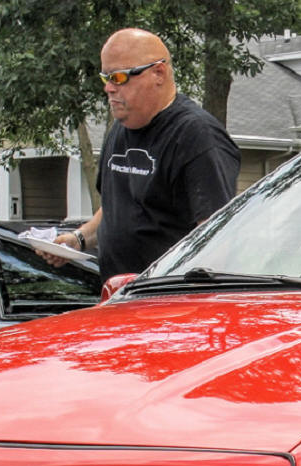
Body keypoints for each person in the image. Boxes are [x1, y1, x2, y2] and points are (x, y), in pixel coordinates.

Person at [53, 28, 240, 284]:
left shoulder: (197, 136)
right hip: (117, 299)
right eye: (105, 78)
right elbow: (114, 208)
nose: (109, 88)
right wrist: (78, 239)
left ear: (158, 73)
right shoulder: (120, 129)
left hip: (168, 307)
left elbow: (216, 235)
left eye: (119, 77)